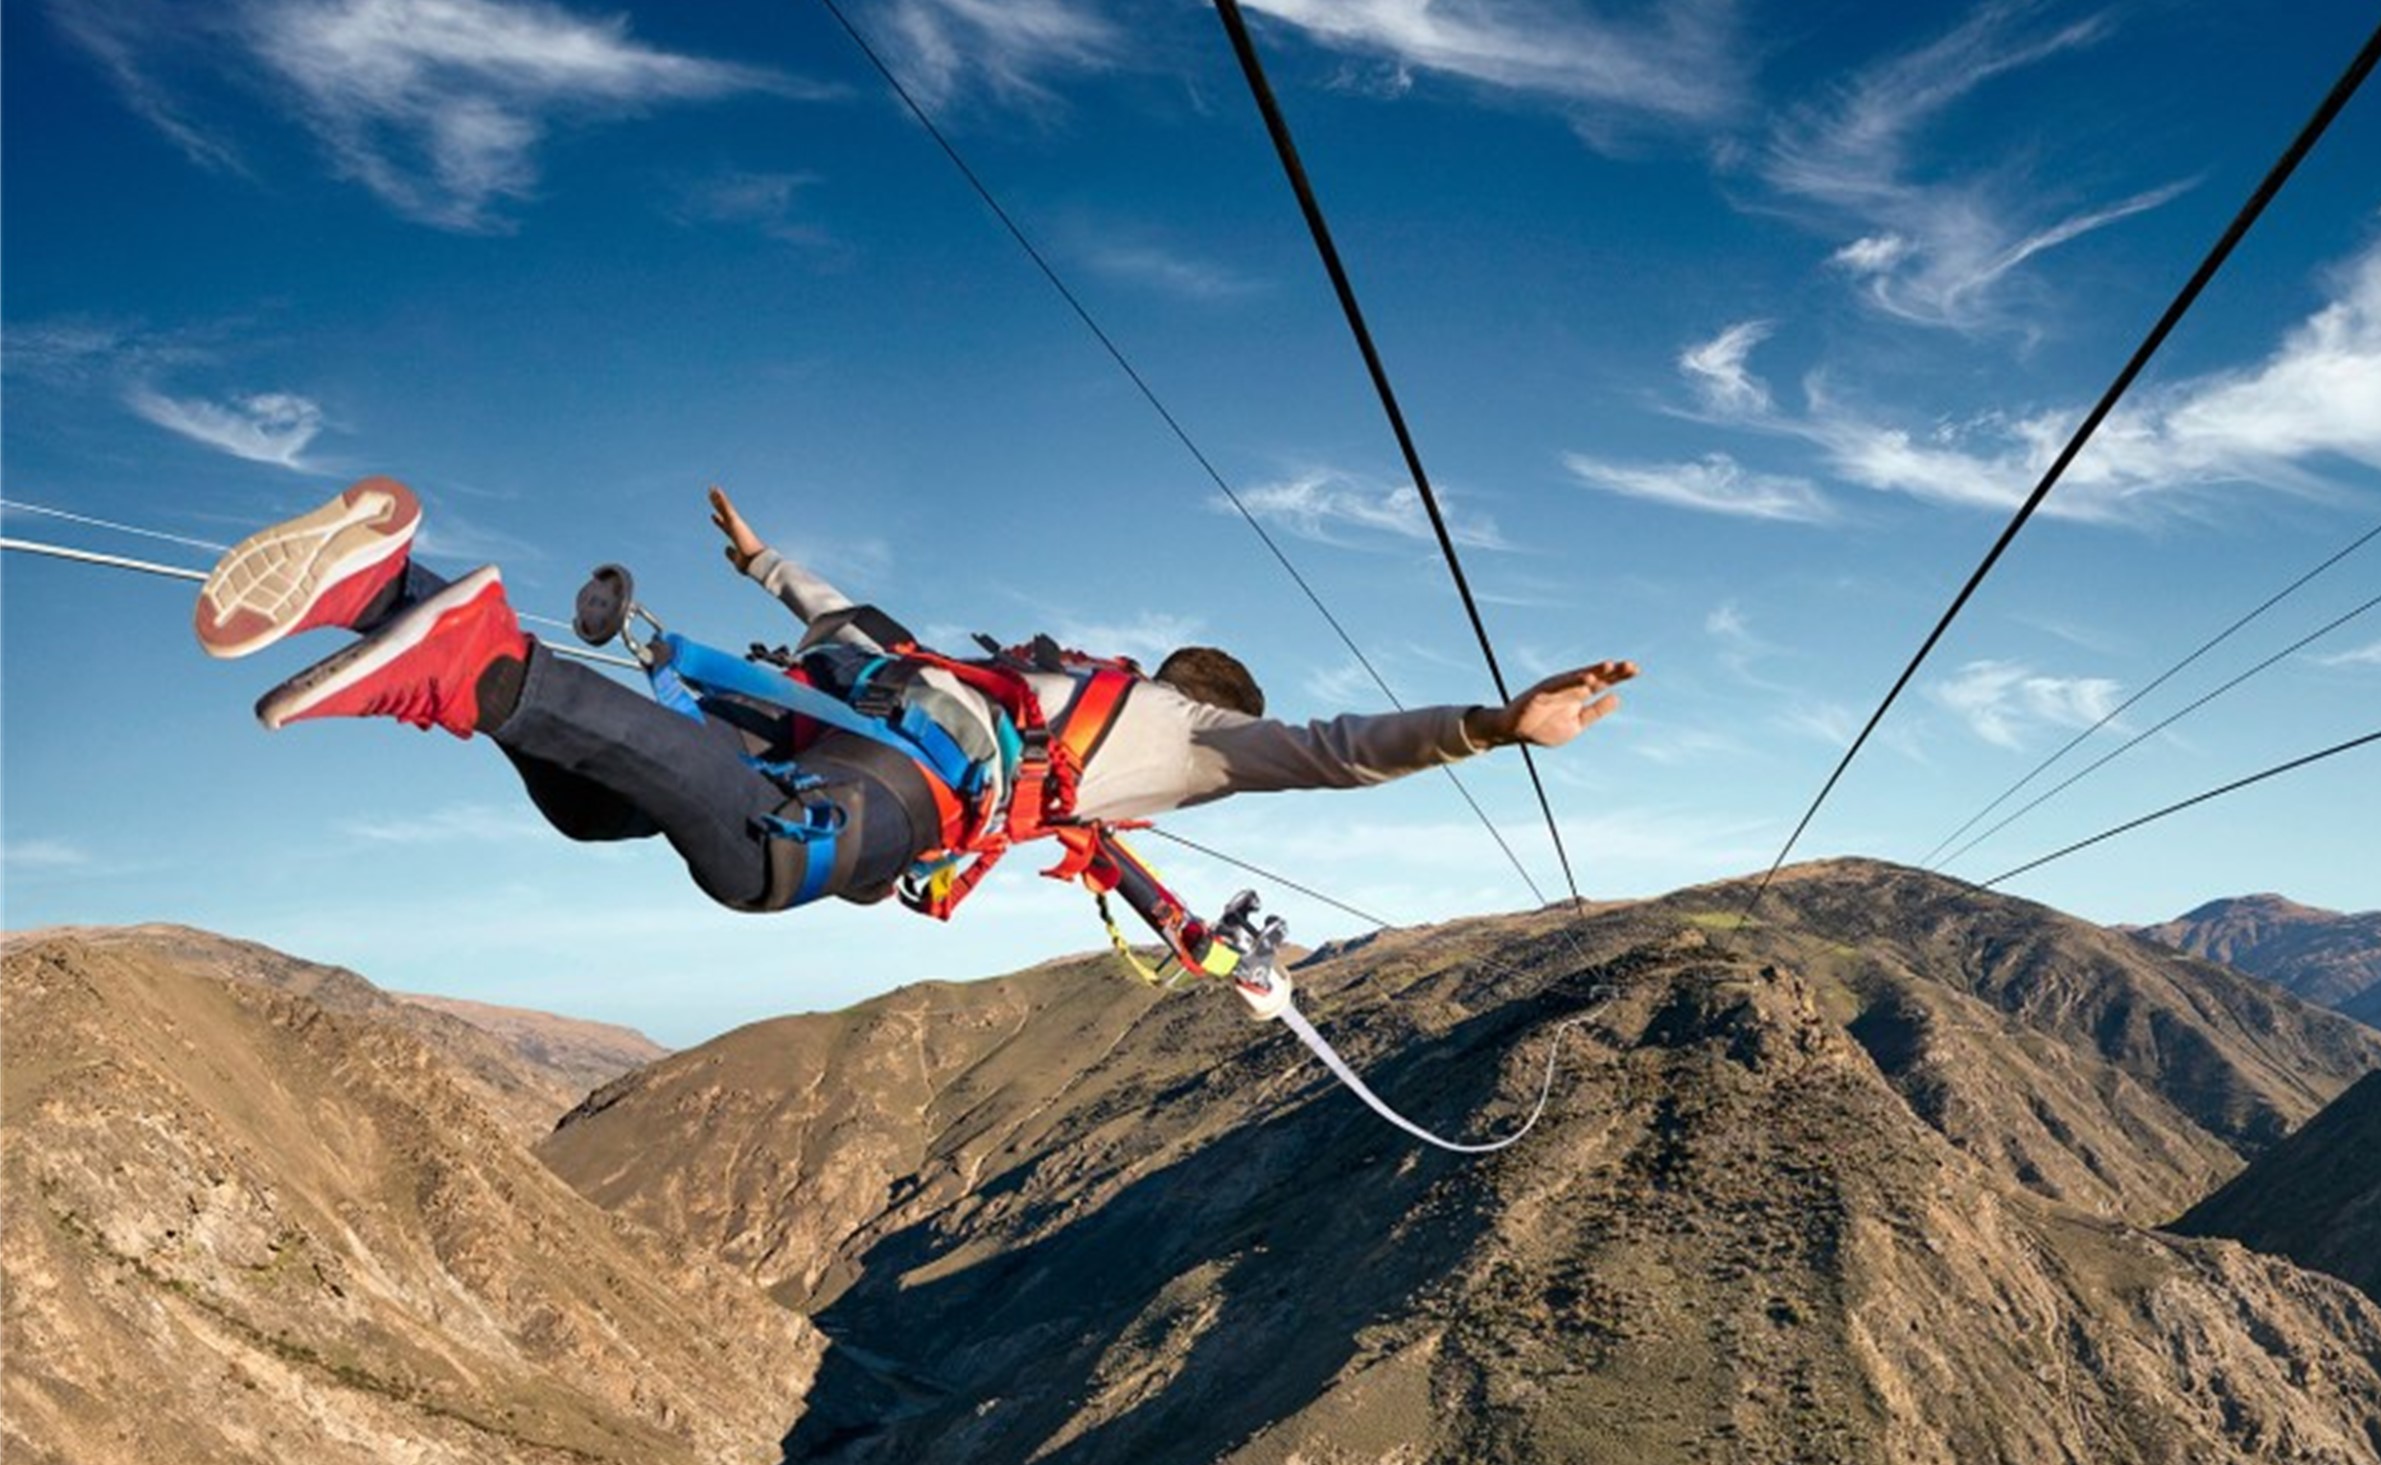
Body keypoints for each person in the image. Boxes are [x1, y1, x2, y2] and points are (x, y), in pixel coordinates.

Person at [198, 477, 1635, 925]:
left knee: (603, 808)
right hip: (901, 779)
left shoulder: (1028, 670)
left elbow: (842, 619)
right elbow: (1331, 751)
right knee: (768, 864)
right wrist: (1495, 726)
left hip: (827, 706)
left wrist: (760, 555)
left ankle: (388, 590)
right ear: (1211, 701)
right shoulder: (1190, 739)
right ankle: (471, 664)